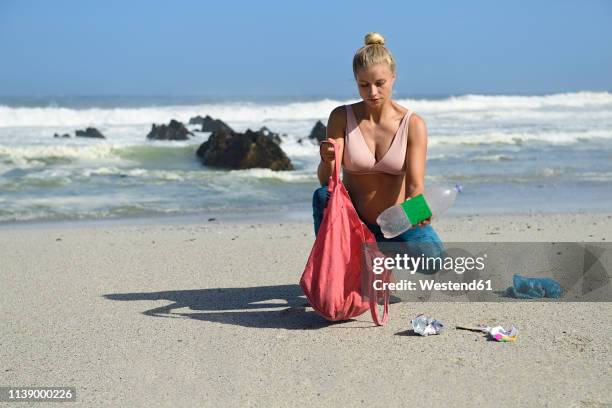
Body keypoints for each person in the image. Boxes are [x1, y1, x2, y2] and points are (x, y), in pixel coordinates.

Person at [312, 32, 443, 261]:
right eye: (364, 85)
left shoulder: (412, 124)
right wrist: (327, 160)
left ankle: (378, 260)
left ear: (393, 77)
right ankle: (340, 266)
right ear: (356, 81)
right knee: (323, 195)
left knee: (433, 258)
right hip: (353, 223)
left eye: (379, 83)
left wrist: (419, 212)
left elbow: (415, 187)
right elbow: (327, 181)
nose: (372, 92)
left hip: (395, 224)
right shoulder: (341, 117)